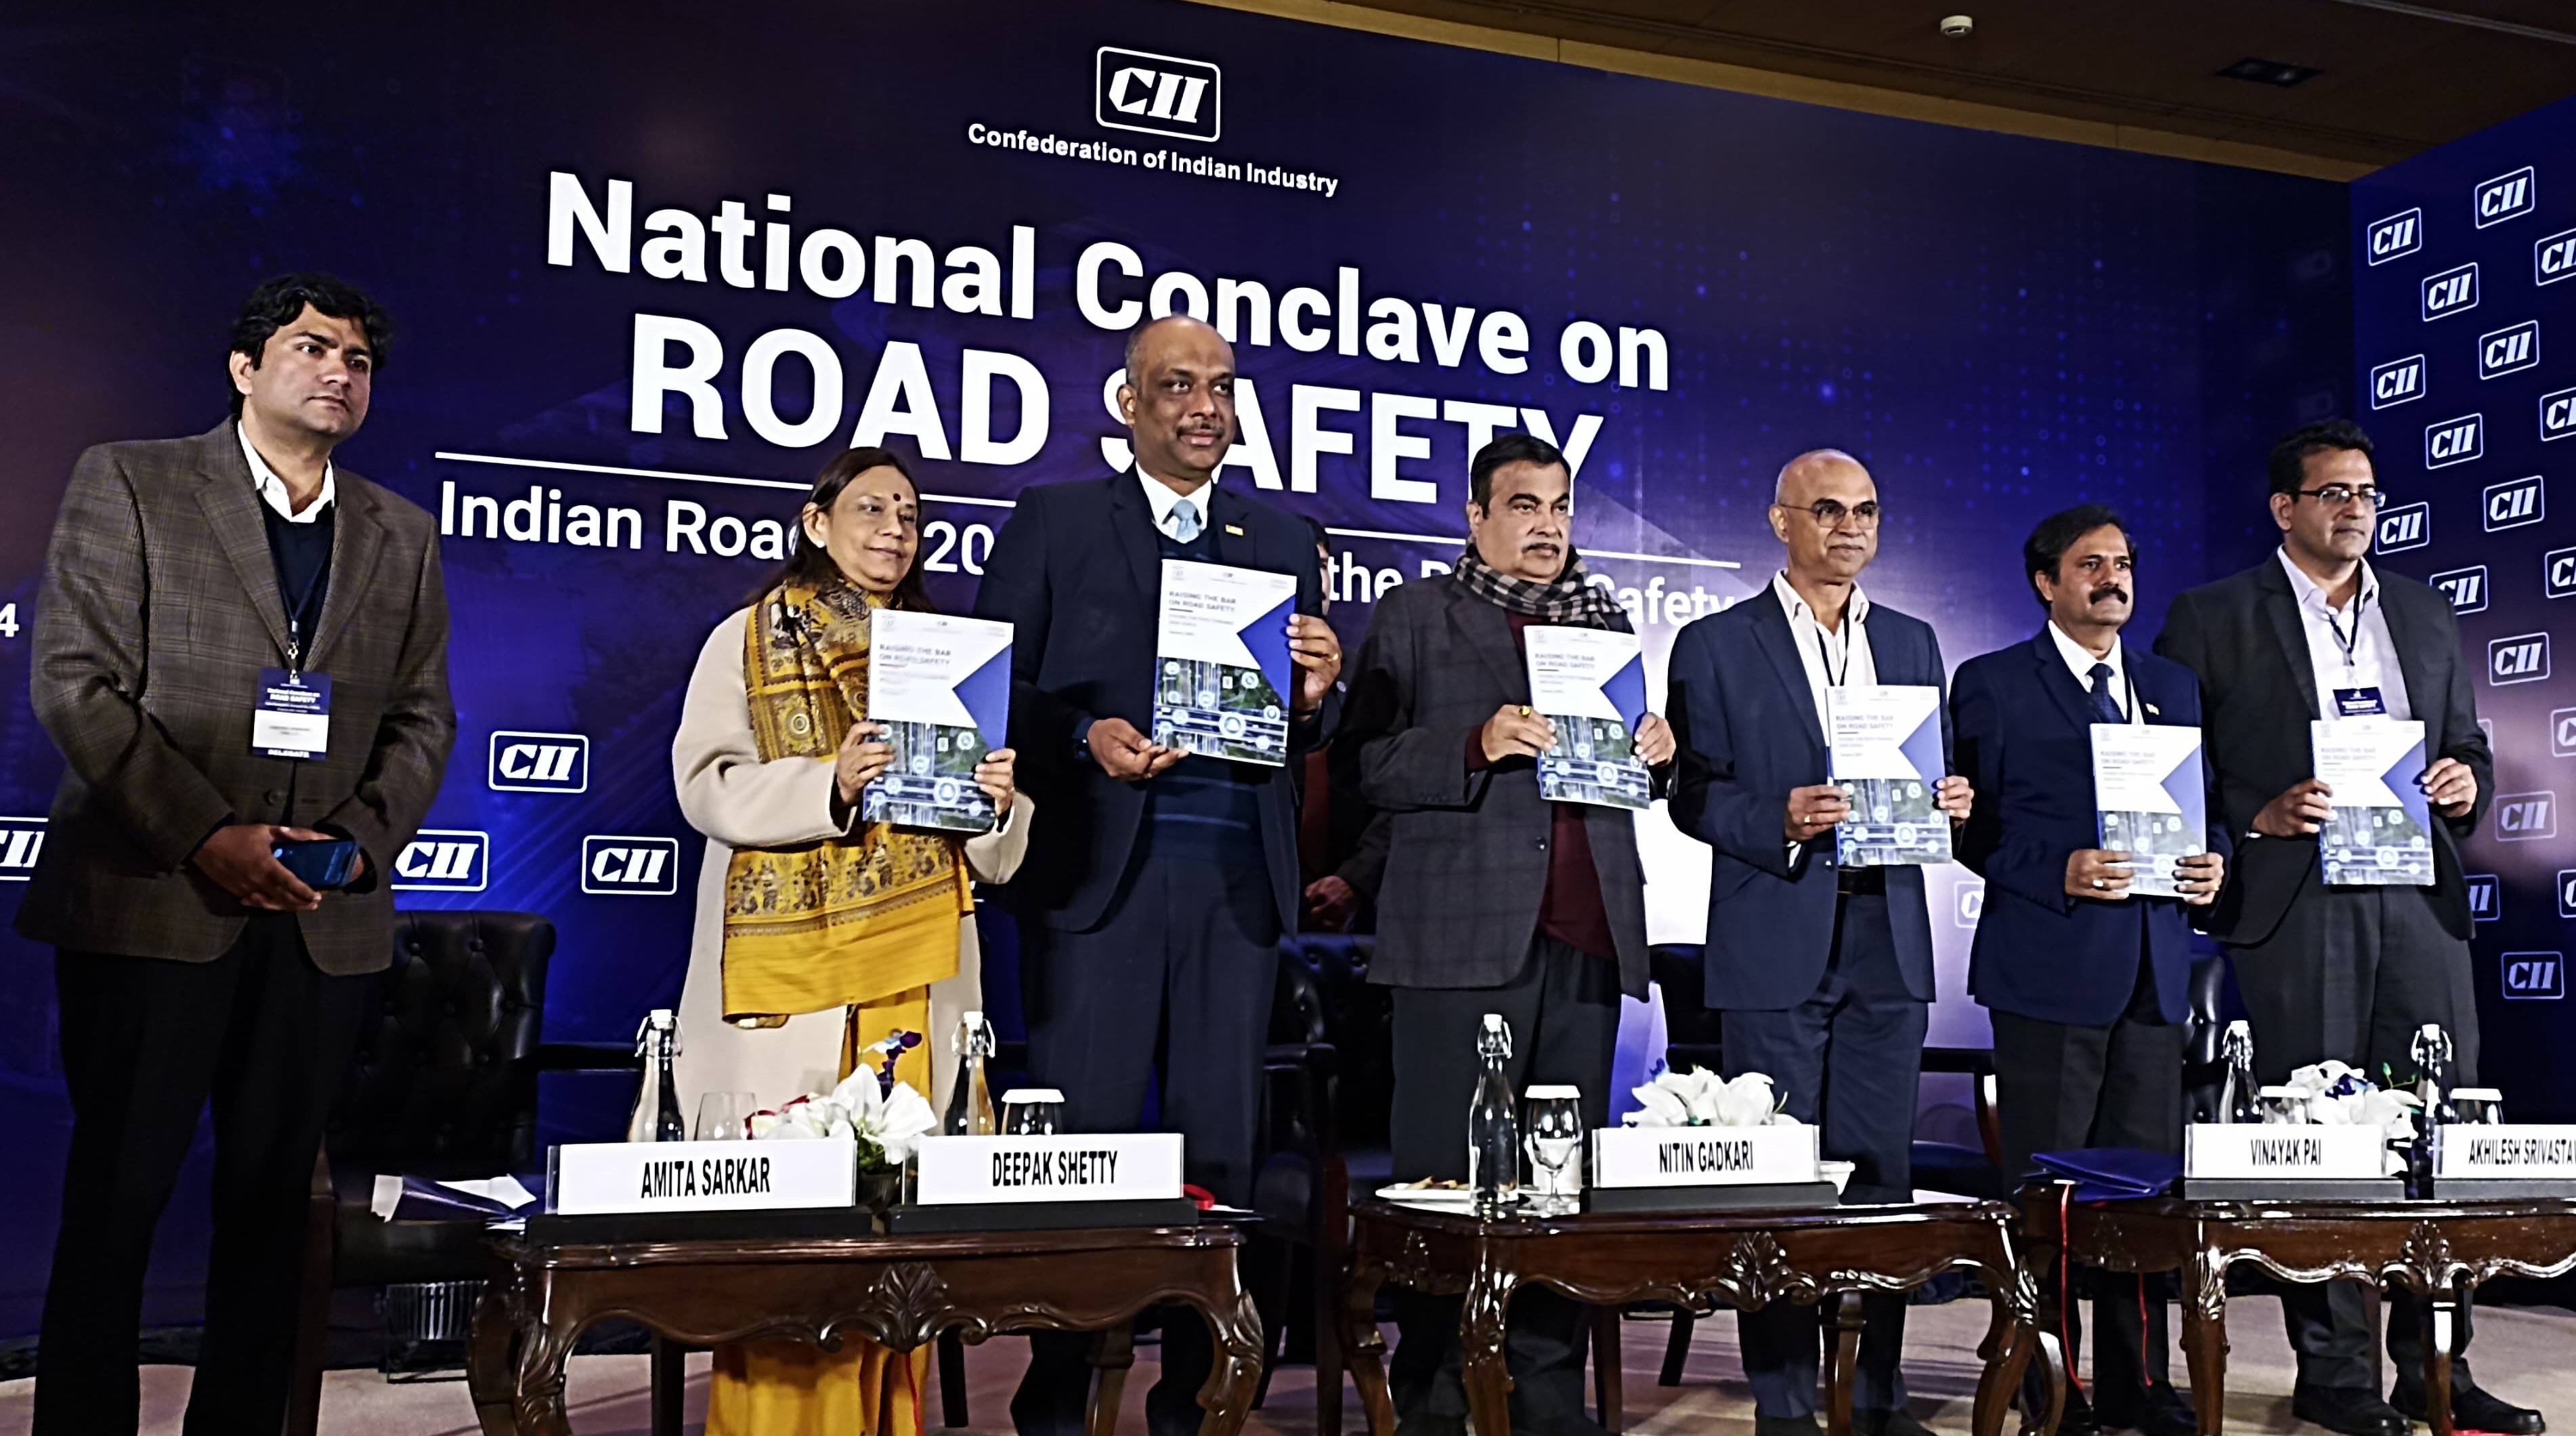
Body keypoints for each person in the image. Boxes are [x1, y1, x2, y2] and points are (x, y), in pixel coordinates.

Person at [18, 273, 454, 1433]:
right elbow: (77, 683)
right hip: (152, 900)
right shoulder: (132, 481)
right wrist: (208, 836)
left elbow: (424, 718)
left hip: (320, 922)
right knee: (116, 1202)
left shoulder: (401, 533)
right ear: (244, 367)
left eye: (358, 361)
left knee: (272, 1215)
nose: (338, 373)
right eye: (311, 348)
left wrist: (353, 848)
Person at [972, 313, 1341, 1436]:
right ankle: (1058, 1395)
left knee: (1219, 1151)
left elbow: (1302, 732)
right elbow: (996, 684)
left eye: (1222, 386)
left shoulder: (1282, 538)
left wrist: (1316, 697)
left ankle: (1199, 1399)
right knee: (1083, 1148)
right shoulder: (1055, 520)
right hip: (1100, 875)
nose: (1205, 406)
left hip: (1236, 879)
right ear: (1130, 405)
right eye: (1179, 385)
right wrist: (1082, 735)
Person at [2155, 419, 2535, 1436]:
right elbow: (2175, 769)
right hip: (2299, 901)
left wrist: (2465, 784)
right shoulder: (2212, 615)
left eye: (2367, 492)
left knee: (2437, 1131)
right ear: (2285, 507)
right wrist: (2257, 818)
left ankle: (2436, 1366)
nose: (2356, 509)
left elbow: (2466, 743)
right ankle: (2332, 1372)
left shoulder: (2422, 609)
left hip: (2417, 897)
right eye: (2333, 492)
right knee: (2318, 1135)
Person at [670, 445, 1029, 1434]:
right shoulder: (747, 638)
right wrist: (828, 783)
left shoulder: (947, 655)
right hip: (794, 972)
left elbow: (993, 855)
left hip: (918, 966)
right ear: (816, 522)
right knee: (790, 1225)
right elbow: (707, 785)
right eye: (871, 509)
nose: (894, 530)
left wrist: (998, 804)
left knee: (899, 1219)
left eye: (910, 516)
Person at [1341, 431, 1674, 1436]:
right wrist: (1474, 743)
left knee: (1558, 1192)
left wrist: (1658, 752)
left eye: (1561, 506)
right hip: (1457, 937)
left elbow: (1627, 777)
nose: (1547, 526)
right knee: (1447, 1182)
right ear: (1476, 517)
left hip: (1586, 932)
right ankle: (1437, 1397)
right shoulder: (1416, 614)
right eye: (1524, 506)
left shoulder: (1605, 623)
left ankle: (1547, 1398)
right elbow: (1365, 765)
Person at [1665, 448, 1970, 1436]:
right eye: (1829, 510)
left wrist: (1952, 797)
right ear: (1781, 521)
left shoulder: (1915, 641)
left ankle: (1877, 1394)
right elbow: (1691, 794)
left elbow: (1931, 774)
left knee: (1880, 1178)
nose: (1850, 528)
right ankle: (1787, 1403)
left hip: (1890, 934)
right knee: (1782, 1178)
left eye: (1866, 511)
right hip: (1775, 932)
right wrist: (1778, 820)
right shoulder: (1716, 643)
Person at [1950, 505, 2223, 1436]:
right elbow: (1968, 829)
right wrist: (2056, 870)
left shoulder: (2171, 685)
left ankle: (2141, 1382)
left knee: (2143, 1200)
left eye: (2124, 564)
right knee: (2051, 1201)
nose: (2114, 579)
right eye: (2091, 564)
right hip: (2049, 972)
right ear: (2045, 582)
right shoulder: (1992, 684)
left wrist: (2216, 861)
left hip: (2154, 970)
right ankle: (2049, 1383)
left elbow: (2209, 808)